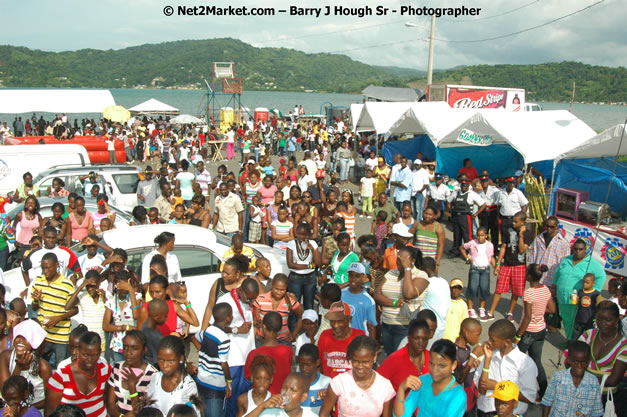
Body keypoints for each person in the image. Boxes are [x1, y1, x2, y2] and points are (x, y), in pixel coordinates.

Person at [474, 320, 537, 417]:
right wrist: (487, 360)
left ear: (507, 342)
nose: (489, 342)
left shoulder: (525, 363)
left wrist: (497, 386)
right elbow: (482, 389)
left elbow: (530, 397)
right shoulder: (489, 356)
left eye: (493, 340)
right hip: (485, 410)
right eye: (489, 338)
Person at [320, 336, 394, 417]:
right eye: (355, 361)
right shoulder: (339, 382)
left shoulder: (385, 386)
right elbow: (323, 414)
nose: (360, 366)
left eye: (365, 362)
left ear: (375, 356)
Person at [218, 278, 260, 417]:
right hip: (233, 359)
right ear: (241, 291)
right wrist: (236, 330)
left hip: (248, 357)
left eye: (253, 300)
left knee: (246, 397)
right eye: (249, 299)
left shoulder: (249, 299)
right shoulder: (226, 301)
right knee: (232, 399)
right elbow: (216, 328)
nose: (251, 302)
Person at [393, 339, 466, 417]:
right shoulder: (423, 381)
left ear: (453, 365)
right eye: (431, 363)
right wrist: (401, 389)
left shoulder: (458, 396)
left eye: (442, 366)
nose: (434, 370)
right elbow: (401, 415)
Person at [46, 332, 112, 417]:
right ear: (78, 351)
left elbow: (107, 399)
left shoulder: (106, 370)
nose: (90, 359)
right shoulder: (60, 377)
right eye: (85, 355)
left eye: (94, 355)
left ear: (99, 352)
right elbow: (50, 412)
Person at [486, 211, 535, 322]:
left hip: (519, 266)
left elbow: (522, 249)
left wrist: (521, 236)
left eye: (516, 222)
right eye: (513, 221)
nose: (513, 223)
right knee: (499, 288)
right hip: (506, 264)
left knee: (516, 291)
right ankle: (491, 311)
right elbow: (503, 246)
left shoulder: (528, 234)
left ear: (522, 222)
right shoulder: (507, 230)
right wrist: (498, 263)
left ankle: (510, 312)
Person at [553, 238, 607, 339]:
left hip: (577, 298)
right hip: (562, 297)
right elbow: (557, 274)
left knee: (575, 321)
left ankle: (576, 343)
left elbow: (602, 276)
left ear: (585, 250)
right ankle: (569, 340)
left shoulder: (591, 263)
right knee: (566, 320)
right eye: (576, 249)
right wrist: (553, 287)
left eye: (581, 249)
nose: (578, 251)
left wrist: (593, 292)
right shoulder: (566, 260)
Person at [31, 253, 77, 368]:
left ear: (56, 265)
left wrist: (58, 318)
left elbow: (75, 310)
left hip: (61, 337)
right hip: (43, 335)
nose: (45, 271)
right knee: (40, 368)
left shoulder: (67, 284)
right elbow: (34, 307)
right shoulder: (38, 281)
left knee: (61, 369)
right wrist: (36, 301)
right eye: (43, 268)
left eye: (48, 268)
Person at [515, 264, 554, 398]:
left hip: (528, 331)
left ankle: (515, 389)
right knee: (537, 361)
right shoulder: (546, 289)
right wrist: (541, 312)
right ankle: (544, 391)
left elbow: (527, 316)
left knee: (516, 360)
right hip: (541, 330)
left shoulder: (529, 293)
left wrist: (518, 335)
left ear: (530, 276)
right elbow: (552, 309)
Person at [578, 301, 626, 401]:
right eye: (598, 319)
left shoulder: (624, 346)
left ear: (617, 320)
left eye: (608, 320)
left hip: (606, 397)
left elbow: (613, 380)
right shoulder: (588, 335)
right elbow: (571, 360)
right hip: (581, 392)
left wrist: (580, 378)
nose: (602, 323)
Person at [542, 341, 603, 417]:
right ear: (569, 360)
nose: (579, 366)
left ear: (588, 361)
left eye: (583, 362)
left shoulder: (593, 382)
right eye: (575, 362)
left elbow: (596, 412)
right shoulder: (558, 378)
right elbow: (547, 403)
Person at [0, 320, 51, 411]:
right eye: (18, 336)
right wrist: (19, 367)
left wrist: (25, 409)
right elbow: (6, 392)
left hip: (34, 411)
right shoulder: (5, 357)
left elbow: (49, 399)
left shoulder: (43, 367)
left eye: (26, 337)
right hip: (10, 410)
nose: (20, 340)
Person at [193, 303, 233, 417]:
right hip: (215, 386)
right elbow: (223, 363)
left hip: (201, 380)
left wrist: (202, 351)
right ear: (227, 318)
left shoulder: (208, 330)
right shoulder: (224, 338)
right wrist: (229, 381)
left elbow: (194, 337)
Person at [105, 331, 157, 417]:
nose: (129, 352)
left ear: (144, 350)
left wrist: (132, 386)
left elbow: (140, 410)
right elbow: (110, 403)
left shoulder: (152, 375)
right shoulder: (117, 368)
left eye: (135, 348)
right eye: (125, 347)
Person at [145, 336, 199, 417]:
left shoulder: (188, 386)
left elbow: (195, 414)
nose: (164, 365)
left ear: (181, 359)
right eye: (161, 360)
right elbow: (149, 407)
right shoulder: (155, 378)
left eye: (170, 361)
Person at [244, 312, 293, 395]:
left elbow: (248, 379)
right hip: (280, 398)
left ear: (264, 327)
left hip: (259, 399)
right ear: (280, 328)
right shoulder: (288, 351)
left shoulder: (253, 354)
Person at [377, 318, 430, 393]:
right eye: (416, 338)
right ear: (409, 337)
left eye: (425, 339)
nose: (420, 343)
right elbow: (376, 383)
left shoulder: (432, 358)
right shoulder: (395, 359)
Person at [317, 301, 365, 378]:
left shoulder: (359, 337)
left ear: (349, 319)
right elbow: (319, 364)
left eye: (340, 321)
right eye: (332, 321)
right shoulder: (324, 336)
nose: (335, 325)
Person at [102, 270, 141, 364]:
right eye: (121, 287)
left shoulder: (136, 297)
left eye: (125, 287)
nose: (123, 290)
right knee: (119, 372)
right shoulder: (111, 300)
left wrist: (131, 290)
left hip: (133, 344)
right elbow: (106, 326)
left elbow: (136, 316)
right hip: (118, 344)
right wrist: (123, 327)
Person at [252, 274, 303, 344]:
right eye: (276, 289)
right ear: (272, 285)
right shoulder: (261, 299)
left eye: (282, 290)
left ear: (286, 288)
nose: (278, 292)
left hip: (283, 340)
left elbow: (302, 316)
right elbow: (255, 319)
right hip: (263, 340)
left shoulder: (290, 301)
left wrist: (294, 334)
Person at [460, 227, 496, 320]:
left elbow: (491, 257)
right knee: (472, 288)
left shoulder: (490, 245)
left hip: (485, 269)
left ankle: (482, 308)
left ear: (486, 236)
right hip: (474, 269)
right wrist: (467, 258)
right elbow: (462, 248)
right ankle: (470, 309)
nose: (480, 238)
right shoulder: (472, 243)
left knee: (484, 289)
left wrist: (495, 267)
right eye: (478, 236)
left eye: (482, 236)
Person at [65, 270, 106, 351]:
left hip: (102, 342)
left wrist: (105, 298)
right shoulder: (82, 296)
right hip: (86, 341)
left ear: (99, 283)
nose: (90, 289)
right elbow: (68, 306)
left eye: (93, 286)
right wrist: (81, 286)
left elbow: (111, 316)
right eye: (88, 286)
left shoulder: (105, 295)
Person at [285, 223, 321, 312]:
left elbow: (318, 263)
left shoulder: (313, 243)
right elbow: (290, 264)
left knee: (309, 305)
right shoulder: (291, 244)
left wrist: (312, 249)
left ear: (308, 235)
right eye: (299, 234)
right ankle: (294, 325)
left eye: (304, 234)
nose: (301, 236)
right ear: (296, 233)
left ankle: (308, 324)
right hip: (295, 278)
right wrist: (309, 265)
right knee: (294, 305)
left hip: (310, 278)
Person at [526, 216, 570, 290]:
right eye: (547, 226)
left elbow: (564, 264)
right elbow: (532, 256)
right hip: (537, 278)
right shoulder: (538, 239)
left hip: (551, 279)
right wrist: (529, 272)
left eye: (552, 227)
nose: (549, 228)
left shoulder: (564, 243)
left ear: (556, 227)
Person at [446, 178, 486, 258]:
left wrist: (475, 214)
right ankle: (456, 251)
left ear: (469, 185)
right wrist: (451, 210)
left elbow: (483, 205)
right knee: (457, 235)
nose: (464, 187)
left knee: (467, 236)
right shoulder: (455, 193)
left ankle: (470, 253)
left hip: (466, 217)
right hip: (456, 216)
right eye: (463, 185)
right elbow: (448, 201)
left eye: (466, 185)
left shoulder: (472, 194)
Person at [416, 258, 451, 342]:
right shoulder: (444, 282)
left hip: (429, 327)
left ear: (426, 270)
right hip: (441, 326)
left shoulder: (427, 283)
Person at [453, 318, 483, 415]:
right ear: (467, 333)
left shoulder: (467, 349)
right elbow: (459, 378)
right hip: (460, 405)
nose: (479, 338)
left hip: (470, 401)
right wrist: (473, 357)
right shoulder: (454, 352)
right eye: (477, 335)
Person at [341, 262, 377, 336]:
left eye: (357, 276)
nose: (353, 279)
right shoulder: (340, 294)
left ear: (363, 278)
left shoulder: (369, 301)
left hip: (360, 340)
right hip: (343, 338)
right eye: (351, 275)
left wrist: (371, 346)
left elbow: (371, 327)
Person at [296, 344, 331, 414]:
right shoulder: (294, 383)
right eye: (301, 364)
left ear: (317, 363)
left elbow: (335, 407)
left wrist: (328, 397)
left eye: (308, 365)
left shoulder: (328, 383)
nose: (304, 368)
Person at [409, 206, 445, 274]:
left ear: (434, 216)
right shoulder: (417, 224)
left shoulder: (438, 228)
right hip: (417, 260)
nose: (427, 216)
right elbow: (408, 237)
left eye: (430, 214)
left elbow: (441, 246)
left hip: (430, 262)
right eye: (426, 213)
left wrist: (437, 264)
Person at [495, 177, 528, 244]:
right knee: (504, 237)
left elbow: (524, 205)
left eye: (513, 183)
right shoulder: (501, 193)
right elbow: (498, 206)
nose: (512, 185)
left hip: (514, 219)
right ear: (506, 183)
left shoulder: (518, 193)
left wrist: (522, 217)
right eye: (510, 183)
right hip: (504, 219)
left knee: (515, 237)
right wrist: (498, 217)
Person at [573, 273, 602, 341]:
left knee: (587, 337)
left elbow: (599, 306)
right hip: (579, 318)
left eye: (587, 283)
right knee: (575, 335)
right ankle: (573, 348)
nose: (584, 284)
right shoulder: (580, 291)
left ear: (593, 283)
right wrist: (575, 299)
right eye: (584, 282)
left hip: (589, 320)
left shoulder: (596, 294)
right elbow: (577, 304)